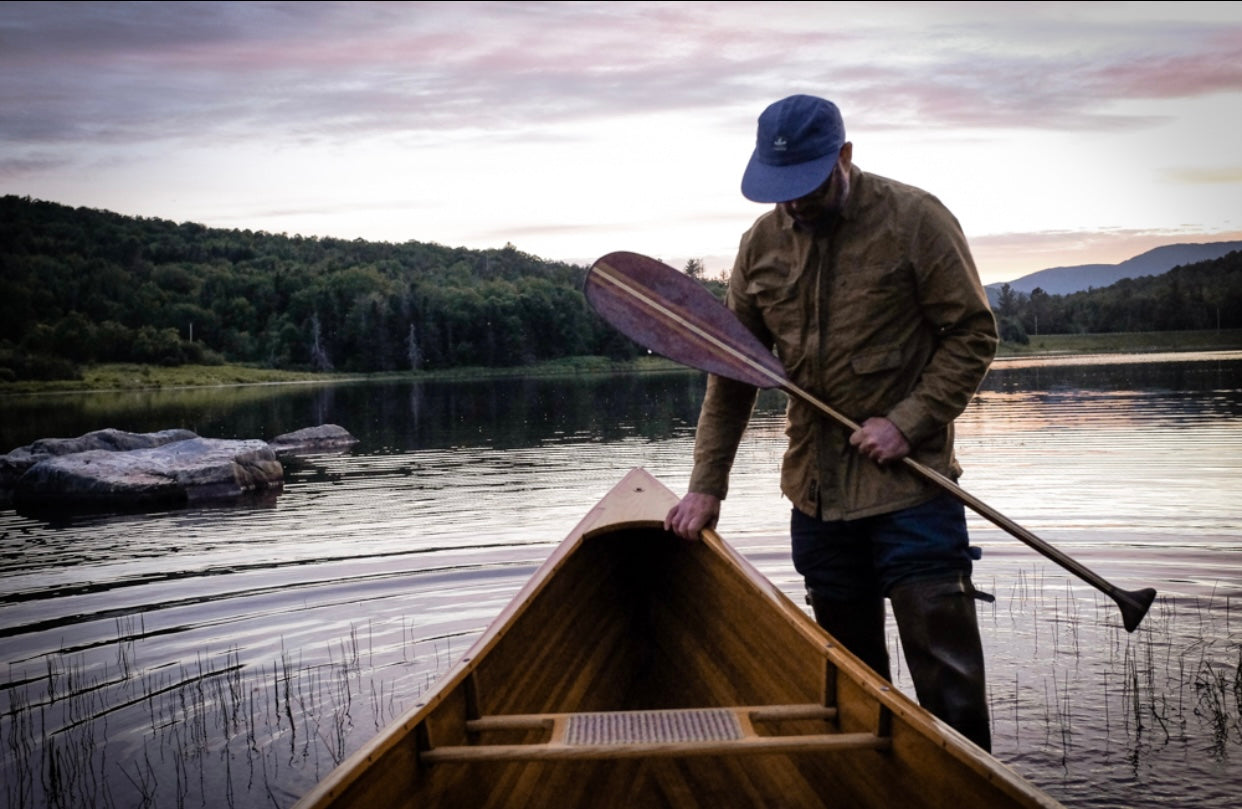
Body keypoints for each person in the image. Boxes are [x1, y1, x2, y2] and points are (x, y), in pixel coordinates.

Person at [663, 94, 999, 752]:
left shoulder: (916, 220)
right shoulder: (759, 246)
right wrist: (706, 485)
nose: (794, 201)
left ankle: (977, 787)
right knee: (851, 688)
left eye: (808, 184)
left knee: (950, 681)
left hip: (914, 491)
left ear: (844, 155)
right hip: (817, 499)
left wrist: (907, 422)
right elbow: (732, 374)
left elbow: (972, 335)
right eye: (780, 187)